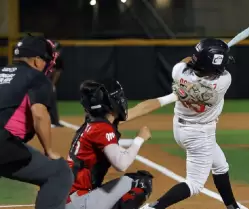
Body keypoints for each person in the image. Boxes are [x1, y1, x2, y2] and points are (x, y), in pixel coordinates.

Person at [116, 38, 242, 209]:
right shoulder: (223, 81)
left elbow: (185, 61)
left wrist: (200, 56)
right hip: (200, 135)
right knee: (195, 185)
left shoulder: (178, 72)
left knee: (220, 165)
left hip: (181, 129)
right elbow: (217, 70)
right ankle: (153, 208)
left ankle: (232, 206)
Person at [0, 35, 73, 209]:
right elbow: (39, 115)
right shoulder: (37, 78)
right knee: (59, 173)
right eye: (46, 60)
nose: (48, 65)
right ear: (36, 60)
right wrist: (49, 150)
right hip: (2, 144)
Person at [65, 79, 153, 209]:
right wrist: (139, 139)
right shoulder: (102, 128)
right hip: (78, 201)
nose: (121, 100)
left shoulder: (92, 124)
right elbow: (121, 164)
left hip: (69, 197)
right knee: (141, 182)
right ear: (110, 104)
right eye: (118, 97)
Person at [47, 40, 63, 127]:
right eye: (56, 50)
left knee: (52, 98)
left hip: (48, 82)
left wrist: (52, 84)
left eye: (58, 50)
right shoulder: (46, 58)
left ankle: (55, 121)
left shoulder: (59, 60)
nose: (58, 52)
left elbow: (57, 73)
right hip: (40, 81)